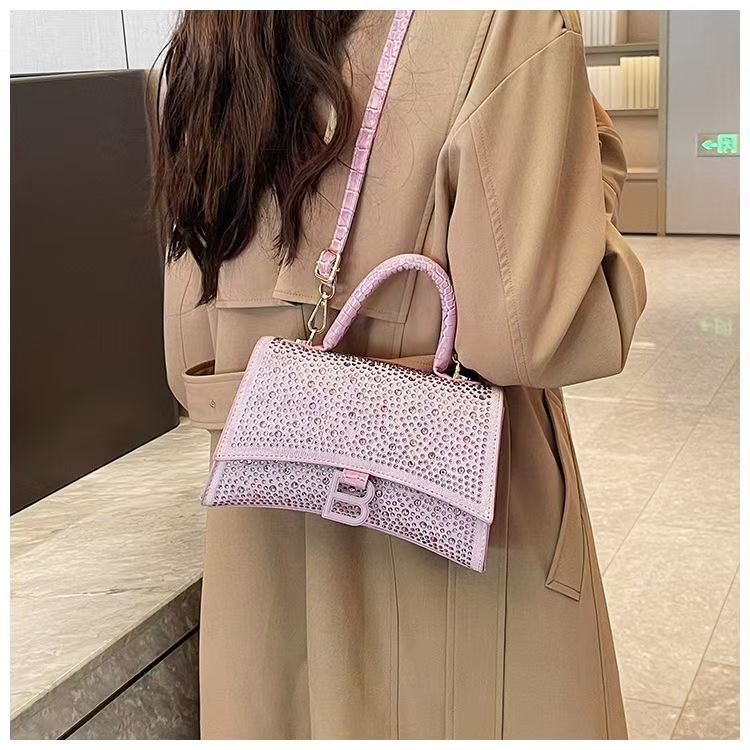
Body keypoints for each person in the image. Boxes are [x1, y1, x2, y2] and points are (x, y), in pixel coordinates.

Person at [158, 10, 646, 740]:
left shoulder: (210, 37)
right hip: (461, 559)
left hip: (265, 554)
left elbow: (186, 358)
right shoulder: (505, 22)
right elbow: (537, 334)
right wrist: (595, 156)